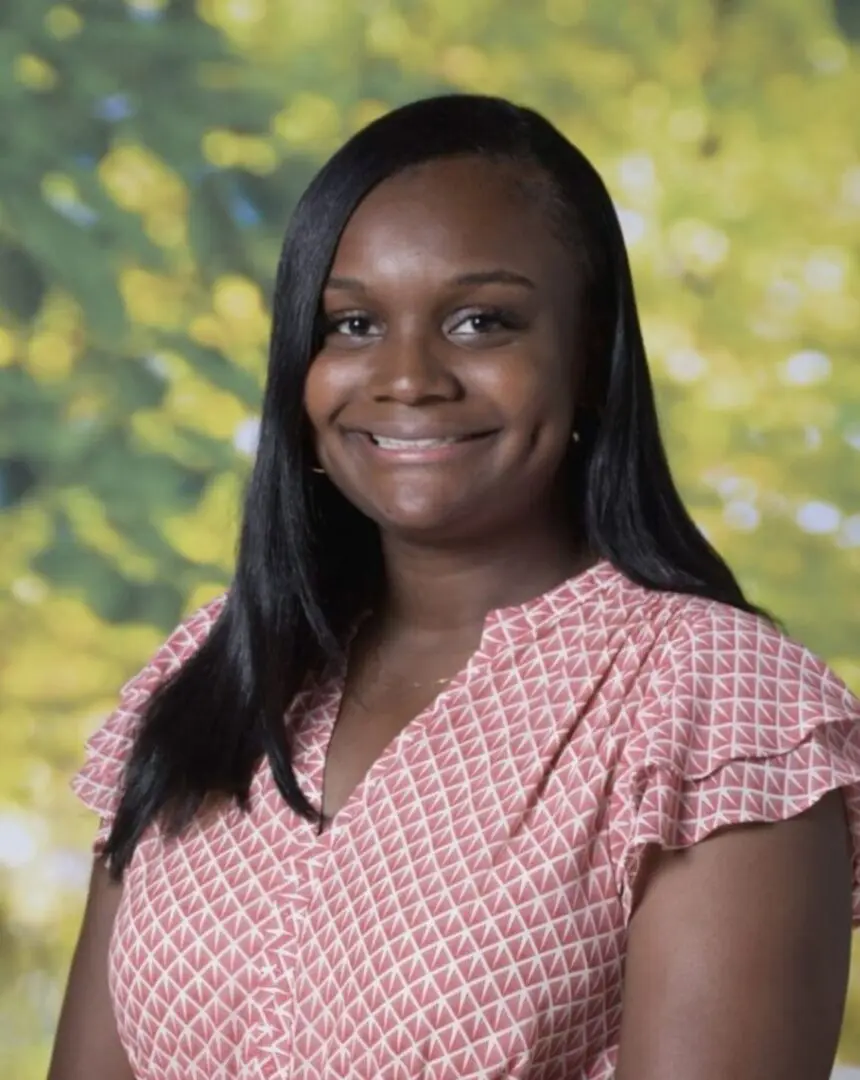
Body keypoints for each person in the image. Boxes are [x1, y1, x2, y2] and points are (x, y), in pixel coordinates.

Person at [49, 94, 860, 1080]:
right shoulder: (209, 673)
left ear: (590, 355)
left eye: (480, 321)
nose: (405, 378)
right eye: (351, 323)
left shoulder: (712, 703)